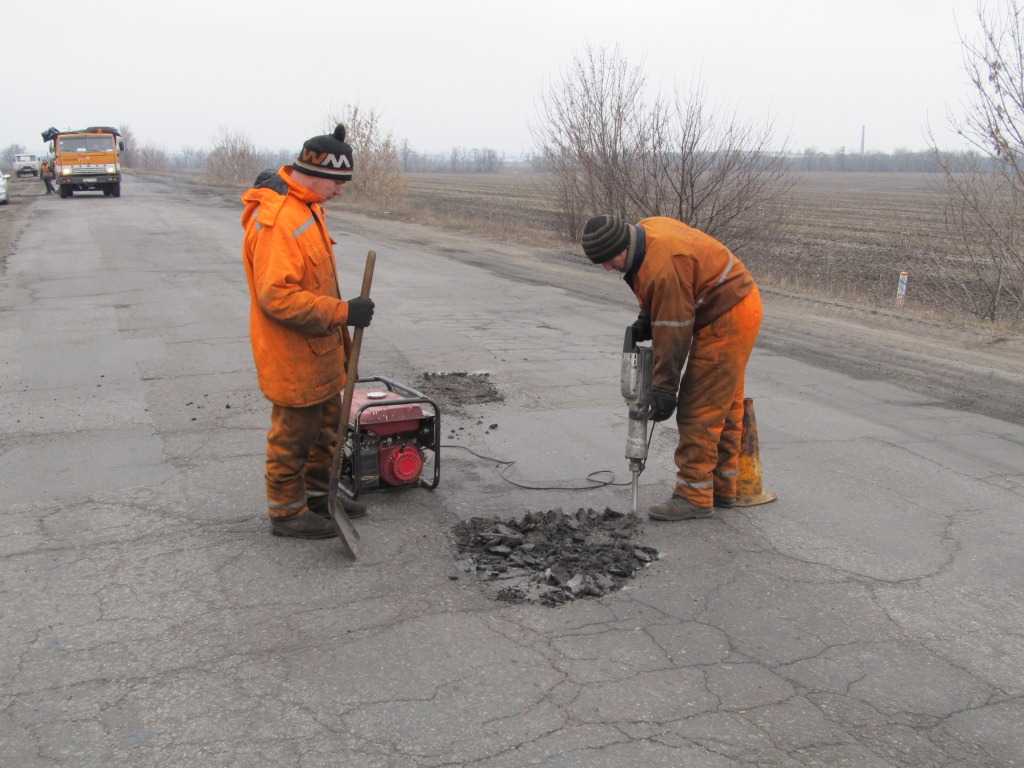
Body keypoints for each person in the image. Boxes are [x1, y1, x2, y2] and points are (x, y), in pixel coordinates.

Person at [582, 215, 763, 521]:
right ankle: (722, 488)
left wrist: (664, 388)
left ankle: (694, 495)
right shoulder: (646, 233)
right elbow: (660, 295)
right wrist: (647, 316)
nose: (607, 268)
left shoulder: (666, 264)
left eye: (609, 260)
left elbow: (673, 331)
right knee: (724, 403)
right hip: (736, 302)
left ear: (622, 245)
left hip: (727, 316)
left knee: (699, 408)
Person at [240, 124, 374, 539]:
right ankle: (287, 513)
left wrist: (340, 317)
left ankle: (319, 496)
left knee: (328, 426)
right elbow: (276, 296)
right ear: (316, 175)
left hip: (320, 348)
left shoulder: (308, 206)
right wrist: (342, 311)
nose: (340, 192)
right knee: (294, 436)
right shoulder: (279, 220)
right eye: (338, 184)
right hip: (292, 353)